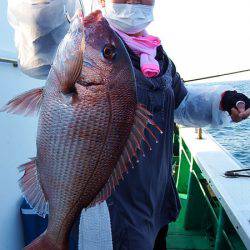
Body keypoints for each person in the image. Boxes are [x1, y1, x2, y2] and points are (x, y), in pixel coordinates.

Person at [7, 0, 250, 249]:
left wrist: (223, 100)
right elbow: (39, 27)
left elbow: (180, 102)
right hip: (111, 213)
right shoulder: (82, 44)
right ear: (102, 1)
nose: (134, 1)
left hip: (155, 206)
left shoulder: (157, 56)